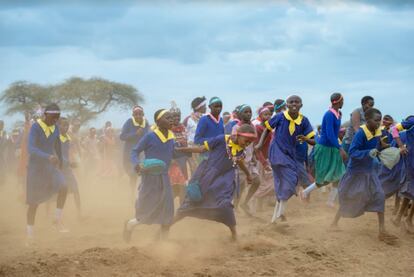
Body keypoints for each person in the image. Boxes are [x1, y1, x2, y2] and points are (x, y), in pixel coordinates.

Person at [173, 124, 257, 241]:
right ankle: (167, 226)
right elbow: (201, 149)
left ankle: (234, 235)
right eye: (246, 141)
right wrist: (182, 150)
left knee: (225, 204)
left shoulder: (240, 148)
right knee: (192, 202)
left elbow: (239, 162)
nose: (247, 144)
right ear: (238, 135)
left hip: (225, 179)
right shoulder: (221, 139)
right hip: (209, 175)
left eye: (249, 143)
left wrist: (248, 174)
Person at [331, 108, 397, 244]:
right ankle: (334, 223)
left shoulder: (378, 131)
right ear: (367, 120)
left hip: (369, 171)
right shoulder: (360, 134)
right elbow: (353, 152)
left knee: (379, 196)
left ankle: (382, 230)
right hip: (355, 172)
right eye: (376, 120)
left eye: (380, 120)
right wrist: (368, 152)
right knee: (349, 196)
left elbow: (378, 144)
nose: (379, 123)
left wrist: (388, 148)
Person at [123, 109, 186, 242]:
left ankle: (163, 245)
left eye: (171, 118)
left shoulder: (171, 137)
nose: (171, 120)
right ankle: (130, 224)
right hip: (150, 177)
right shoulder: (150, 136)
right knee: (147, 209)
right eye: (167, 118)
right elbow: (134, 151)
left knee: (168, 210)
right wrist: (137, 164)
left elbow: (173, 154)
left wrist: (189, 149)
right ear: (158, 122)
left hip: (164, 177)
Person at [256, 95, 315, 223]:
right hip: (277, 150)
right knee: (291, 179)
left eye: (297, 102)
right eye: (291, 102)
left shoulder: (304, 121)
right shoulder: (280, 117)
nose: (294, 104)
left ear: (301, 105)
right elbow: (267, 129)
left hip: (290, 154)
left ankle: (277, 216)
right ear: (286, 105)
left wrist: (306, 139)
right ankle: (279, 214)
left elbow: (313, 140)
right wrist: (260, 144)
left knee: (283, 183)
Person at [26, 104, 68, 244]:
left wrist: (61, 161)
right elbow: (31, 148)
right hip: (36, 169)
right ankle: (30, 235)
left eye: (57, 118)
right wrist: (47, 156)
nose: (55, 120)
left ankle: (56, 221)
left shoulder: (55, 128)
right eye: (53, 117)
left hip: (50, 168)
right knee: (34, 203)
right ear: (45, 115)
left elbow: (57, 145)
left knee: (64, 187)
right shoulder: (35, 127)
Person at [301, 93, 347, 207]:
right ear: (338, 102)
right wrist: (340, 148)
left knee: (338, 175)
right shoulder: (329, 115)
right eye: (342, 101)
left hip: (332, 147)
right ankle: (305, 192)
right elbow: (331, 135)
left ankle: (330, 202)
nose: (343, 103)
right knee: (323, 178)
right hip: (326, 148)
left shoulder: (337, 114)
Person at [230, 104, 261, 216]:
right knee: (240, 186)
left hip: (250, 160)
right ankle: (235, 207)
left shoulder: (252, 126)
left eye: (250, 112)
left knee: (257, 181)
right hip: (240, 160)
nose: (248, 114)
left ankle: (245, 203)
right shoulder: (236, 127)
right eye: (246, 112)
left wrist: (253, 157)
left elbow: (252, 144)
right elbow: (234, 141)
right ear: (240, 114)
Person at [390, 116, 414, 233]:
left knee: (411, 190)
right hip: (411, 161)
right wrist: (400, 146)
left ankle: (402, 218)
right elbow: (394, 130)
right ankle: (404, 218)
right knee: (410, 189)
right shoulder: (412, 121)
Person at [120, 105, 149, 190]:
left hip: (142, 153)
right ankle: (132, 193)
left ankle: (141, 192)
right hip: (129, 153)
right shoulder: (129, 122)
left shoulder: (145, 123)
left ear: (143, 114)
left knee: (143, 173)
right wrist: (135, 134)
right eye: (136, 114)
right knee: (133, 175)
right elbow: (122, 136)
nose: (138, 116)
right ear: (133, 115)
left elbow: (147, 137)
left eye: (140, 114)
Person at [58, 117, 82, 219]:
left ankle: (79, 213)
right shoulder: (56, 138)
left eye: (67, 125)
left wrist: (71, 162)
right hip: (58, 169)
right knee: (54, 194)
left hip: (67, 169)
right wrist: (70, 163)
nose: (66, 127)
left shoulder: (68, 138)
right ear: (58, 126)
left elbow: (66, 154)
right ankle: (53, 215)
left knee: (76, 190)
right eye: (63, 125)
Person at [169, 107, 189, 205]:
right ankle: (167, 205)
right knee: (173, 185)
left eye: (178, 116)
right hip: (172, 161)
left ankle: (182, 206)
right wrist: (171, 159)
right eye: (174, 116)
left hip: (182, 159)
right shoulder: (167, 129)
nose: (177, 118)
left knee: (183, 184)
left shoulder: (183, 128)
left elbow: (186, 142)